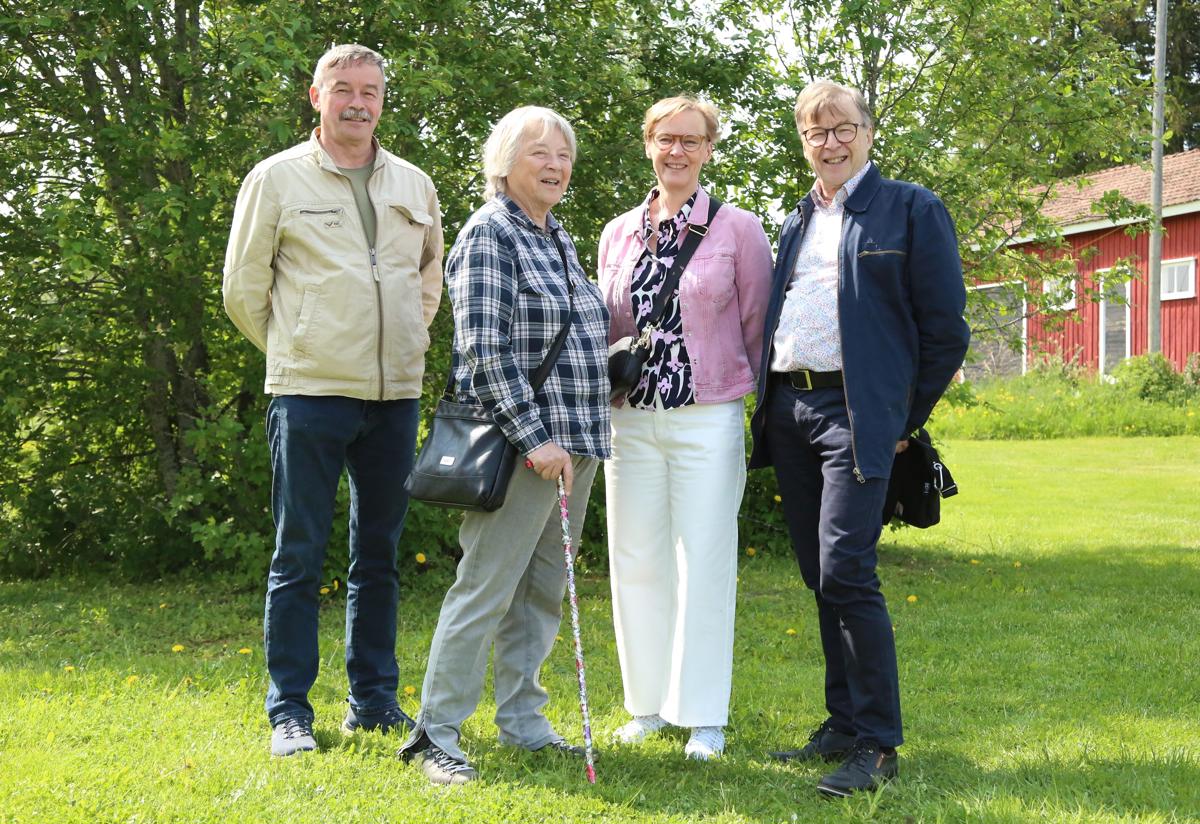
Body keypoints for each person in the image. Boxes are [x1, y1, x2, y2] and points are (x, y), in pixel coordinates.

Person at [748, 79, 970, 795]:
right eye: (815, 132)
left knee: (847, 568)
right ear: (803, 143)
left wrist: (901, 417)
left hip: (855, 412)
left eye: (843, 127)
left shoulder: (910, 208)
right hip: (791, 408)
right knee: (820, 573)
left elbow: (947, 331)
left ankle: (877, 745)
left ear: (868, 133)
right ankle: (842, 724)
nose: (830, 142)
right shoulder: (796, 219)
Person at [223, 44, 444, 757]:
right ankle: (289, 710)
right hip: (309, 394)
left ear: (382, 100)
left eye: (369, 91)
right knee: (299, 554)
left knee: (378, 555)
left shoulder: (413, 183)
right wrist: (299, 348)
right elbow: (243, 287)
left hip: (394, 397)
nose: (357, 102)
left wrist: (409, 342)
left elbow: (428, 276)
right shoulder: (277, 178)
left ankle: (373, 702)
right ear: (316, 97)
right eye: (342, 88)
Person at [397, 106, 611, 785]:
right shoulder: (491, 233)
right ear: (504, 161)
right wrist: (535, 438)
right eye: (540, 152)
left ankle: (523, 721)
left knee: (541, 593)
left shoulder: (557, 236)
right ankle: (435, 734)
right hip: (526, 448)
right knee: (485, 590)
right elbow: (483, 352)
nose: (556, 165)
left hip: (576, 445)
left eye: (564, 155)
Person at [597, 96, 773, 760]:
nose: (677, 151)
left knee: (704, 561)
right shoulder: (617, 233)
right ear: (648, 143)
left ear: (708, 150)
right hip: (630, 420)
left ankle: (703, 716)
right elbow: (611, 327)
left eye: (691, 141)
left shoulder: (738, 230)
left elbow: (757, 330)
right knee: (635, 560)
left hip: (708, 416)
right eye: (666, 139)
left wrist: (754, 410)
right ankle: (645, 707)